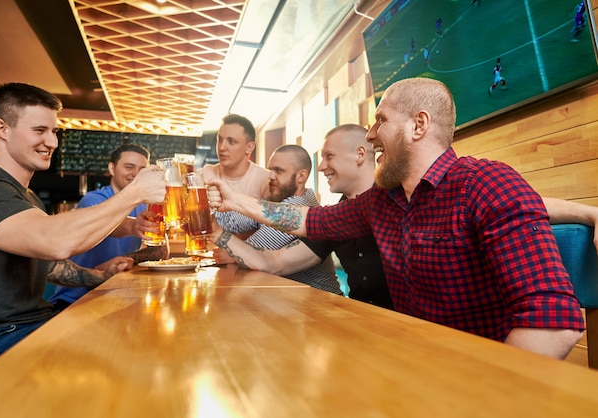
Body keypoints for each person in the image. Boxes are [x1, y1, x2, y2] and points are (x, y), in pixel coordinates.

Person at [207, 77, 586, 360]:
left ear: (418, 125)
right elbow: (311, 222)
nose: (370, 136)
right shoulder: (382, 200)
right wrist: (236, 200)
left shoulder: (486, 183)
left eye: (380, 121)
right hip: (405, 362)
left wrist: (484, 398)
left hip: (472, 377)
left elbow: (554, 324)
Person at [0, 82, 166, 371]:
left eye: (53, 132)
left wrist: (101, 277)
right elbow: (55, 242)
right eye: (40, 131)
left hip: (31, 322)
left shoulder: (25, 196)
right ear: (2, 128)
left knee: (145, 337)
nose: (52, 142)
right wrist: (135, 193)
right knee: (127, 357)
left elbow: (49, 265)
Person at [212, 125, 392, 308]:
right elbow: (274, 262)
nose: (321, 167)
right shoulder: (338, 213)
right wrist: (214, 229)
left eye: (329, 156)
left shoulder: (392, 199)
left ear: (360, 154)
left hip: (401, 326)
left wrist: (233, 201)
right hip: (360, 318)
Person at [49, 143, 167, 309]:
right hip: (75, 299)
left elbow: (162, 250)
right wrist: (133, 226)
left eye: (142, 169)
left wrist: (129, 260)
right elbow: (109, 224)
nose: (135, 174)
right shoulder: (94, 200)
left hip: (114, 295)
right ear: (112, 169)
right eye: (129, 167)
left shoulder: (144, 205)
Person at [214, 145, 341, 294]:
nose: (271, 176)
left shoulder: (299, 205)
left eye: (279, 171)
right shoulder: (281, 201)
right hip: (293, 303)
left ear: (301, 176)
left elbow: (246, 257)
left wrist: (231, 249)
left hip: (322, 306)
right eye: (270, 170)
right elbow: (231, 222)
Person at [202, 113, 270, 235]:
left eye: (231, 142)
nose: (222, 147)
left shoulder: (265, 180)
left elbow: (268, 233)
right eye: (220, 140)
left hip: (247, 252)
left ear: (249, 147)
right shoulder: (207, 174)